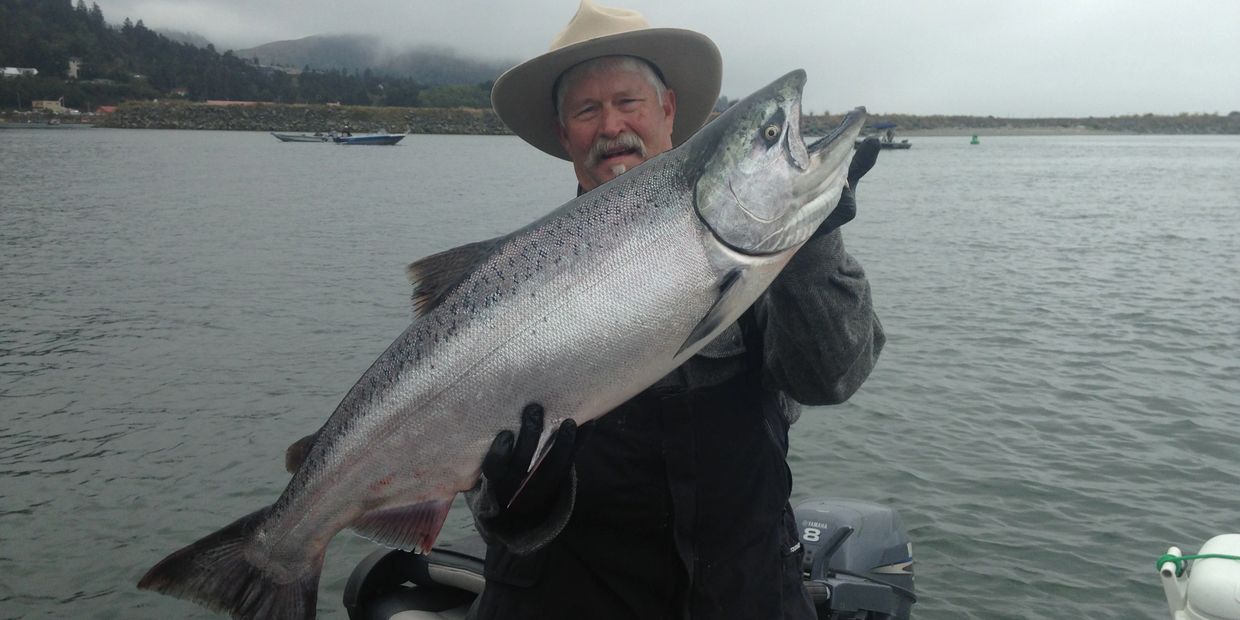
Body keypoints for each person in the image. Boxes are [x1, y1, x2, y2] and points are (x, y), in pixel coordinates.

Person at [465, 2, 885, 619]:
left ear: (668, 111)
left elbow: (832, 376)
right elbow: (477, 489)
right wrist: (512, 504)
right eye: (587, 110)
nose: (611, 126)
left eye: (628, 101)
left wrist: (811, 238)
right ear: (564, 136)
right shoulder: (509, 294)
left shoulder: (751, 252)